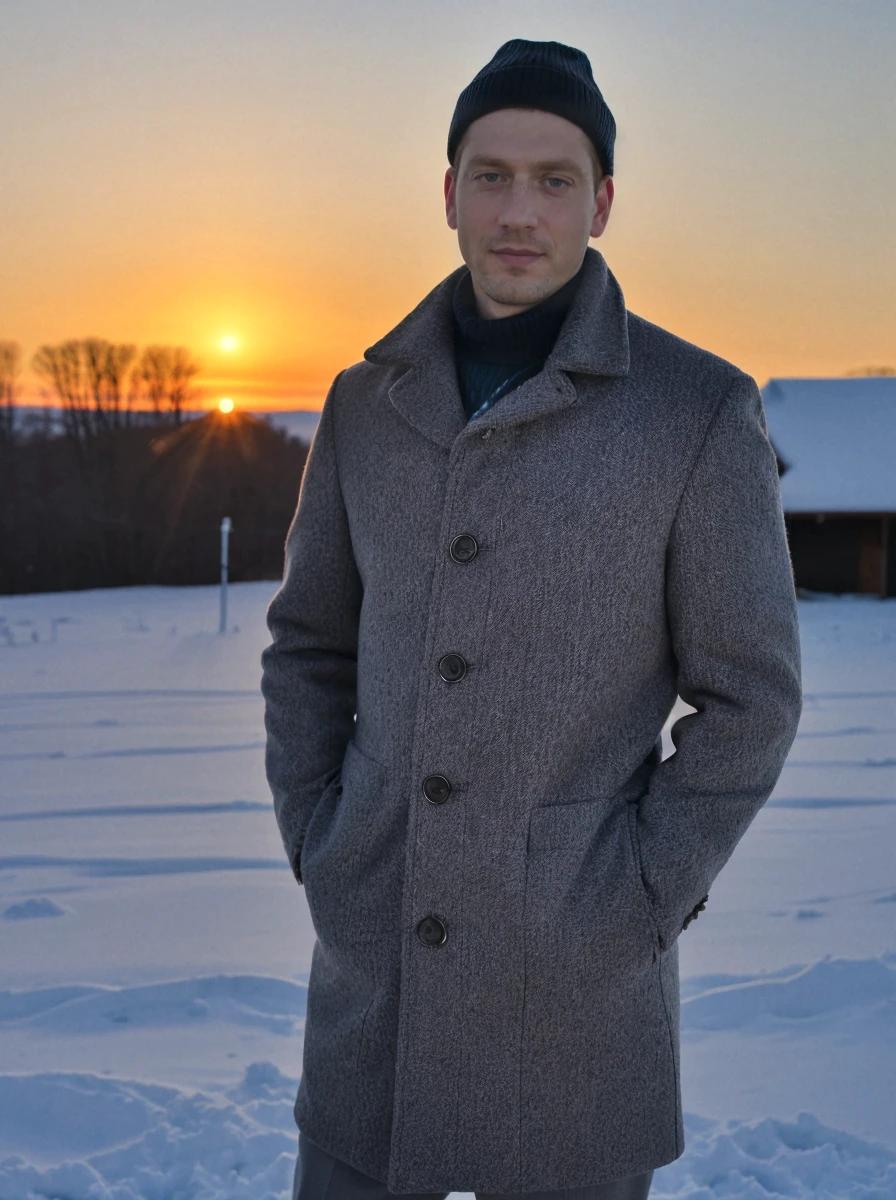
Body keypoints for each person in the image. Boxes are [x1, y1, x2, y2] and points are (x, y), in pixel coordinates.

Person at [260, 37, 803, 1200]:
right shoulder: (365, 401)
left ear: (601, 202)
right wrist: (322, 835)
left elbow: (750, 696)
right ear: (445, 191)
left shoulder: (694, 410)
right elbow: (309, 642)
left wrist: (642, 891)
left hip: (575, 988)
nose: (519, 210)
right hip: (376, 974)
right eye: (490, 174)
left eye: (554, 180)